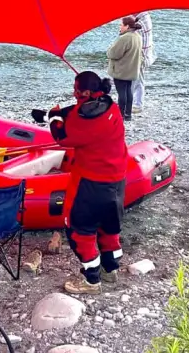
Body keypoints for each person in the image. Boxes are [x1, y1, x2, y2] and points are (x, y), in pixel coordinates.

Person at [42, 71, 127, 295]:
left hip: (91, 182)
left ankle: (91, 281)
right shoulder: (111, 106)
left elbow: (62, 137)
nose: (73, 93)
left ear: (85, 92)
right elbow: (79, 109)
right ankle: (110, 270)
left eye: (76, 90)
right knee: (109, 228)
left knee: (80, 230)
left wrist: (53, 117)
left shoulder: (84, 121)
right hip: (117, 181)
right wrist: (55, 114)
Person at [106, 17, 142, 121]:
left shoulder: (125, 38)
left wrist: (108, 50)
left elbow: (113, 54)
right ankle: (128, 115)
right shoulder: (137, 36)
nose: (120, 27)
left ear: (127, 26)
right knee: (128, 91)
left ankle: (121, 115)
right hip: (132, 70)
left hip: (121, 71)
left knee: (121, 92)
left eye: (121, 25)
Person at [132, 11, 156, 111]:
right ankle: (135, 102)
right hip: (145, 54)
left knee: (138, 81)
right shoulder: (145, 16)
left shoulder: (139, 23)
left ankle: (138, 105)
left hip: (140, 57)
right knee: (136, 80)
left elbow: (132, 41)